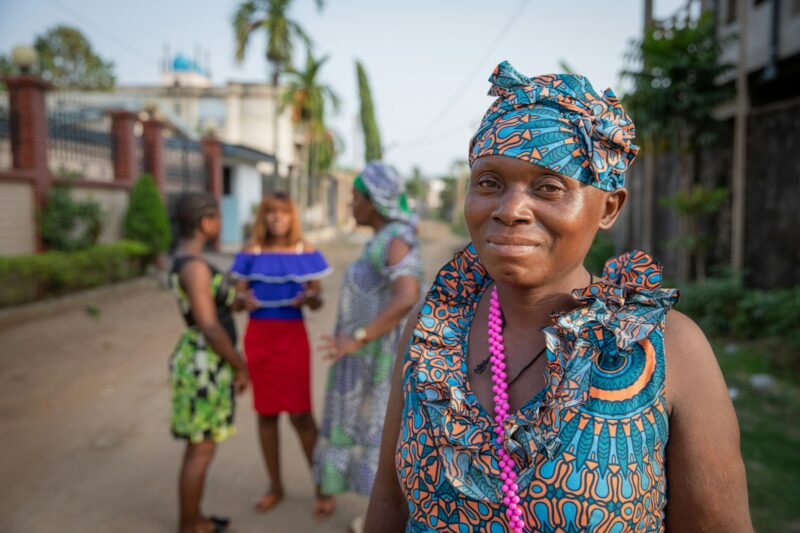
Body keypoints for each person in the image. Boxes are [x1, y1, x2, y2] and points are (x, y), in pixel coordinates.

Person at [365, 62, 753, 532]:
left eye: (549, 187)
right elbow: (389, 503)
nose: (510, 211)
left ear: (609, 207)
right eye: (489, 182)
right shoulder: (431, 334)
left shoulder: (667, 350)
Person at [313, 162, 424, 526]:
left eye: (355, 197)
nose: (350, 205)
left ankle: (381, 520)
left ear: (374, 201)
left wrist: (359, 337)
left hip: (379, 359)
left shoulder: (395, 238)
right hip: (364, 358)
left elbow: (407, 295)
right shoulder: (383, 238)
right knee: (367, 428)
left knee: (379, 430)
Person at [230, 192, 332, 515]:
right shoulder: (250, 253)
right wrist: (241, 302)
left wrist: (309, 299)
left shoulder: (306, 251)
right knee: (266, 414)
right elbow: (235, 301)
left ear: (292, 217)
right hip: (259, 338)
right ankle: (275, 486)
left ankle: (321, 487)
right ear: (263, 217)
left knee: (302, 415)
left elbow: (318, 299)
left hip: (292, 337)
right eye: (271, 212)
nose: (277, 218)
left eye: (283, 212)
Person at [169, 192, 249, 533]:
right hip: (205, 364)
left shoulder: (188, 260)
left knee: (199, 449)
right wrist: (240, 365)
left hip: (202, 360)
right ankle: (190, 526)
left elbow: (216, 305)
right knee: (200, 451)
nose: (219, 223)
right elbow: (210, 326)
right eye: (216, 217)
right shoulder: (195, 267)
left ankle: (195, 519)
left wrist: (237, 299)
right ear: (205, 222)